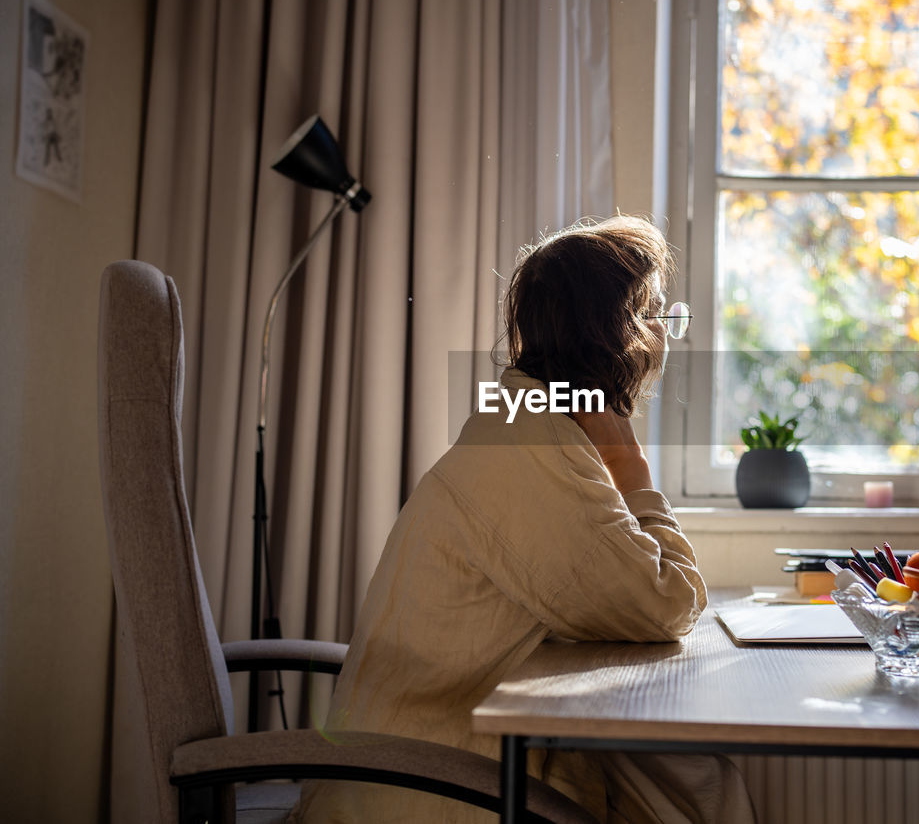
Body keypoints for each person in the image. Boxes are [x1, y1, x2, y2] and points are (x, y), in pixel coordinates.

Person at [291, 216, 755, 823]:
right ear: (619, 332)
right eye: (660, 318)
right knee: (697, 784)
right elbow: (664, 604)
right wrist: (632, 470)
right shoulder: (533, 443)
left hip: (444, 759)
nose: (666, 342)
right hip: (433, 786)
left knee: (688, 779)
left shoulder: (526, 418)